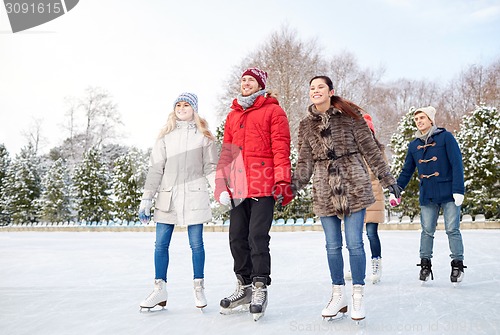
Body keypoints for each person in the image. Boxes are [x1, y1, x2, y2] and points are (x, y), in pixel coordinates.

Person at [291, 76, 401, 322]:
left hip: (354, 186)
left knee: (355, 243)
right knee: (332, 246)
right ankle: (338, 295)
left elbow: (371, 150)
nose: (315, 91)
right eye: (312, 88)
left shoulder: (351, 118)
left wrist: (387, 179)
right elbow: (304, 162)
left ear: (330, 91)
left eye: (320, 87)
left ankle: (357, 295)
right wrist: (292, 187)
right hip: (324, 189)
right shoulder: (305, 125)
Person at [214, 67, 293, 320]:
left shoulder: (274, 111)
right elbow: (226, 154)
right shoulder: (232, 115)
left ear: (260, 85)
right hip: (238, 186)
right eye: (243, 80)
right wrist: (221, 185)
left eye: (251, 80)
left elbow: (281, 148)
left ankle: (260, 287)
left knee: (257, 237)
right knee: (237, 238)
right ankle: (244, 286)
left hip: (263, 183)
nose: (246, 83)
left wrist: (283, 180)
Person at [138, 92, 218, 311]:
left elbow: (210, 167)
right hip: (168, 196)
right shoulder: (165, 136)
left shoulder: (205, 137)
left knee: (196, 244)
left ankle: (198, 286)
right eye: (178, 105)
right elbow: (156, 169)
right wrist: (147, 198)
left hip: (194, 195)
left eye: (186, 105)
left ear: (194, 109)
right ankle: (159, 290)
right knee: (161, 244)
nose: (182, 108)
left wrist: (219, 190)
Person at [396, 106, 466, 286]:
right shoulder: (414, 145)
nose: (419, 121)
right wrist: (396, 189)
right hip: (427, 194)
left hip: (449, 192)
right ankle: (425, 265)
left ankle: (457, 265)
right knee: (427, 231)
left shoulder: (446, 137)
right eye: (416, 119)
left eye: (422, 118)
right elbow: (407, 171)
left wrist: (459, 190)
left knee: (452, 229)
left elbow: (457, 164)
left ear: (431, 120)